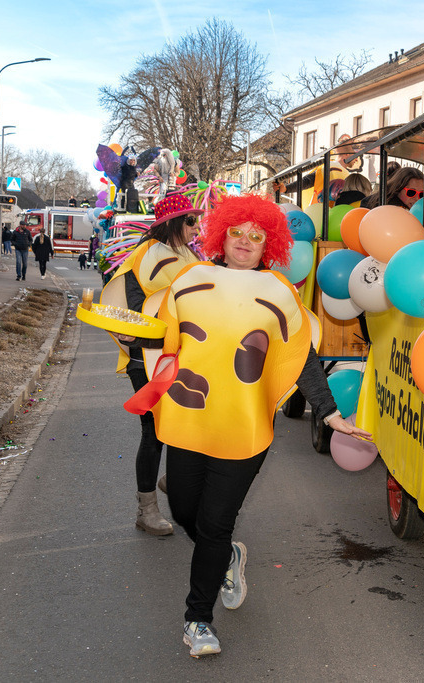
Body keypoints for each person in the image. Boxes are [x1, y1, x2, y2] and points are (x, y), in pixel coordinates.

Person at [136, 194, 370, 657]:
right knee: (184, 510)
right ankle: (227, 558)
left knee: (214, 524)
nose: (245, 242)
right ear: (220, 235)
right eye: (237, 233)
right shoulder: (190, 278)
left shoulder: (281, 293)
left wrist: (328, 412)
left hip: (245, 429)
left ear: (270, 244)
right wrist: (131, 336)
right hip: (188, 420)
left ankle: (197, 620)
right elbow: (161, 337)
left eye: (256, 235)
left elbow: (298, 357)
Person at [102, 193, 204, 537]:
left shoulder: (189, 255)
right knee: (154, 432)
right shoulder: (145, 256)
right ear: (173, 224)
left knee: (185, 425)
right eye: (190, 221)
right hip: (145, 359)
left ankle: (173, 480)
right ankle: (146, 509)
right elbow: (134, 309)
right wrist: (143, 341)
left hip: (179, 356)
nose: (196, 227)